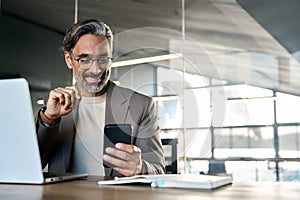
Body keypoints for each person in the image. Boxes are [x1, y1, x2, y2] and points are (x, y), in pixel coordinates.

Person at [36, 18, 165, 177]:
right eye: (85, 59)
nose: (96, 69)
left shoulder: (141, 105)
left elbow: (158, 170)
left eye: (103, 59)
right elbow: (34, 163)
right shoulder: (54, 103)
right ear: (69, 59)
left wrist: (140, 168)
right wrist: (49, 118)